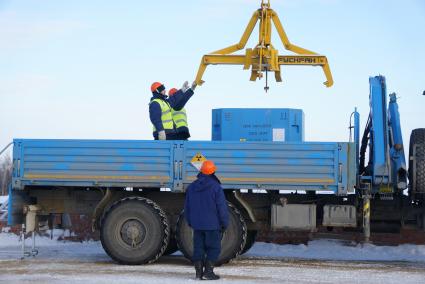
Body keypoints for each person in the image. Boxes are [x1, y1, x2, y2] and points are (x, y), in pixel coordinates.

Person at [184, 160, 229, 280]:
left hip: (197, 225)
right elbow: (221, 208)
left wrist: (190, 221)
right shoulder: (216, 187)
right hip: (213, 225)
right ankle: (208, 272)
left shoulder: (192, 187)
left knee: (198, 248)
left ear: (201, 171)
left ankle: (198, 273)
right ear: (213, 171)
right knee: (213, 248)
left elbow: (187, 207)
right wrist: (224, 223)